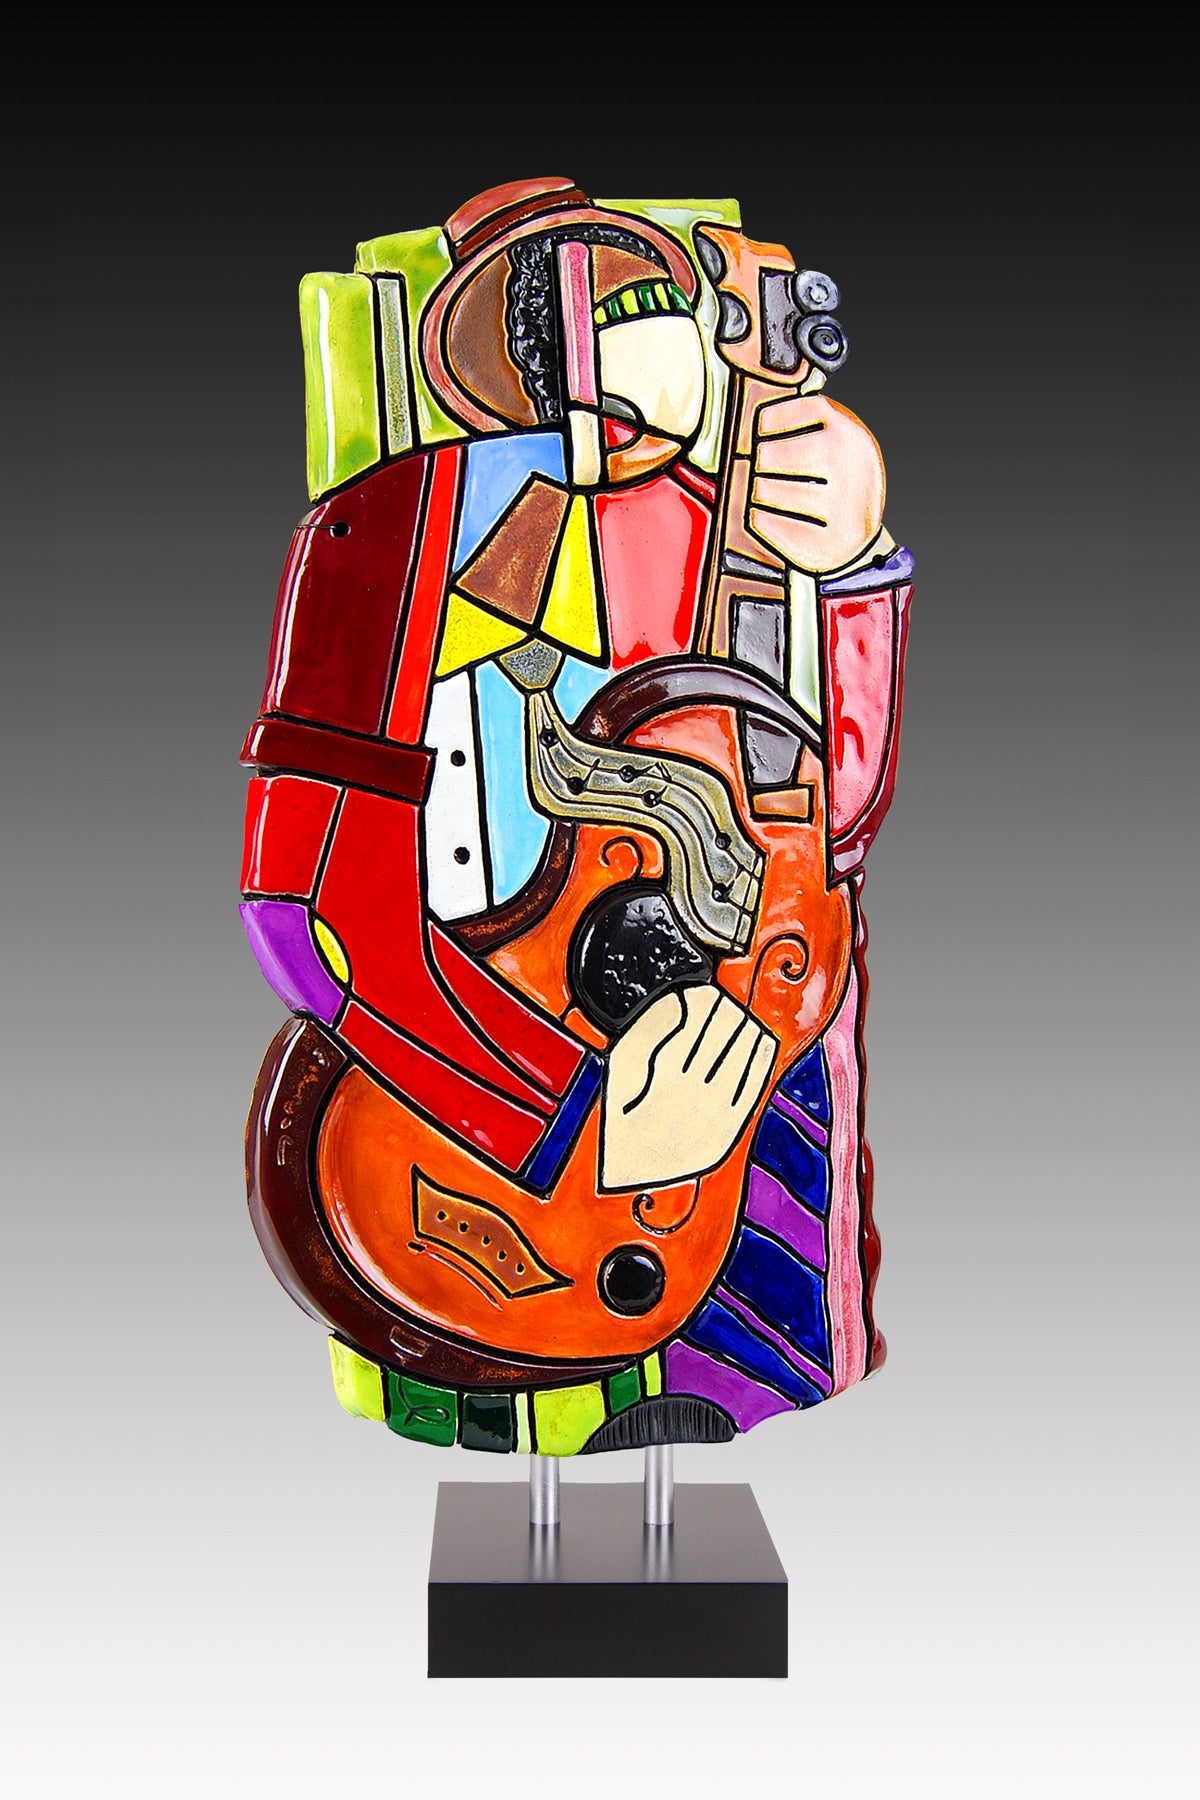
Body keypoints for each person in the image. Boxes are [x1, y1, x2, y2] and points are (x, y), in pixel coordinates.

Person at [240, 178, 912, 1454]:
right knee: (509, 1394)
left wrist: (853, 574)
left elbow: (829, 823)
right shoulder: (387, 539)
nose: (638, 353)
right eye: (598, 312)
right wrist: (574, 1119)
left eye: (660, 305)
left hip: (746, 1083)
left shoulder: (737, 524)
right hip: (466, 1134)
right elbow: (308, 910)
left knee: (749, 1331)